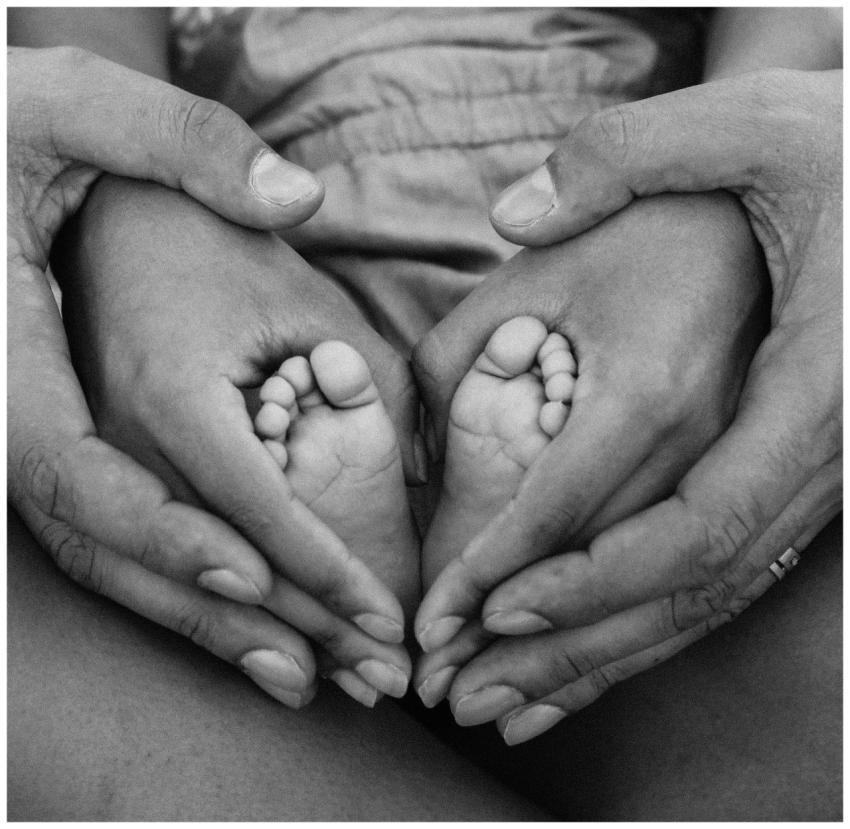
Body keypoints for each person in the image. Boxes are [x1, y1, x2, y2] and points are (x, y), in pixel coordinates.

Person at [8, 7, 840, 820]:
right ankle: (495, 488)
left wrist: (756, 152)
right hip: (246, 232)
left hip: (616, 225)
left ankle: (361, 499)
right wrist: (122, 165)